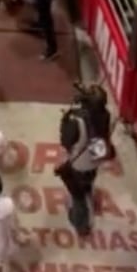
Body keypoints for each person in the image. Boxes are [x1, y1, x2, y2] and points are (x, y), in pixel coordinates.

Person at [56, 83, 114, 234]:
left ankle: (81, 224)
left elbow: (66, 142)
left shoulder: (76, 120)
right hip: (95, 159)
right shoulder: (105, 115)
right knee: (88, 183)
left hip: (79, 165)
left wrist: (65, 121)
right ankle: (88, 193)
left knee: (77, 196)